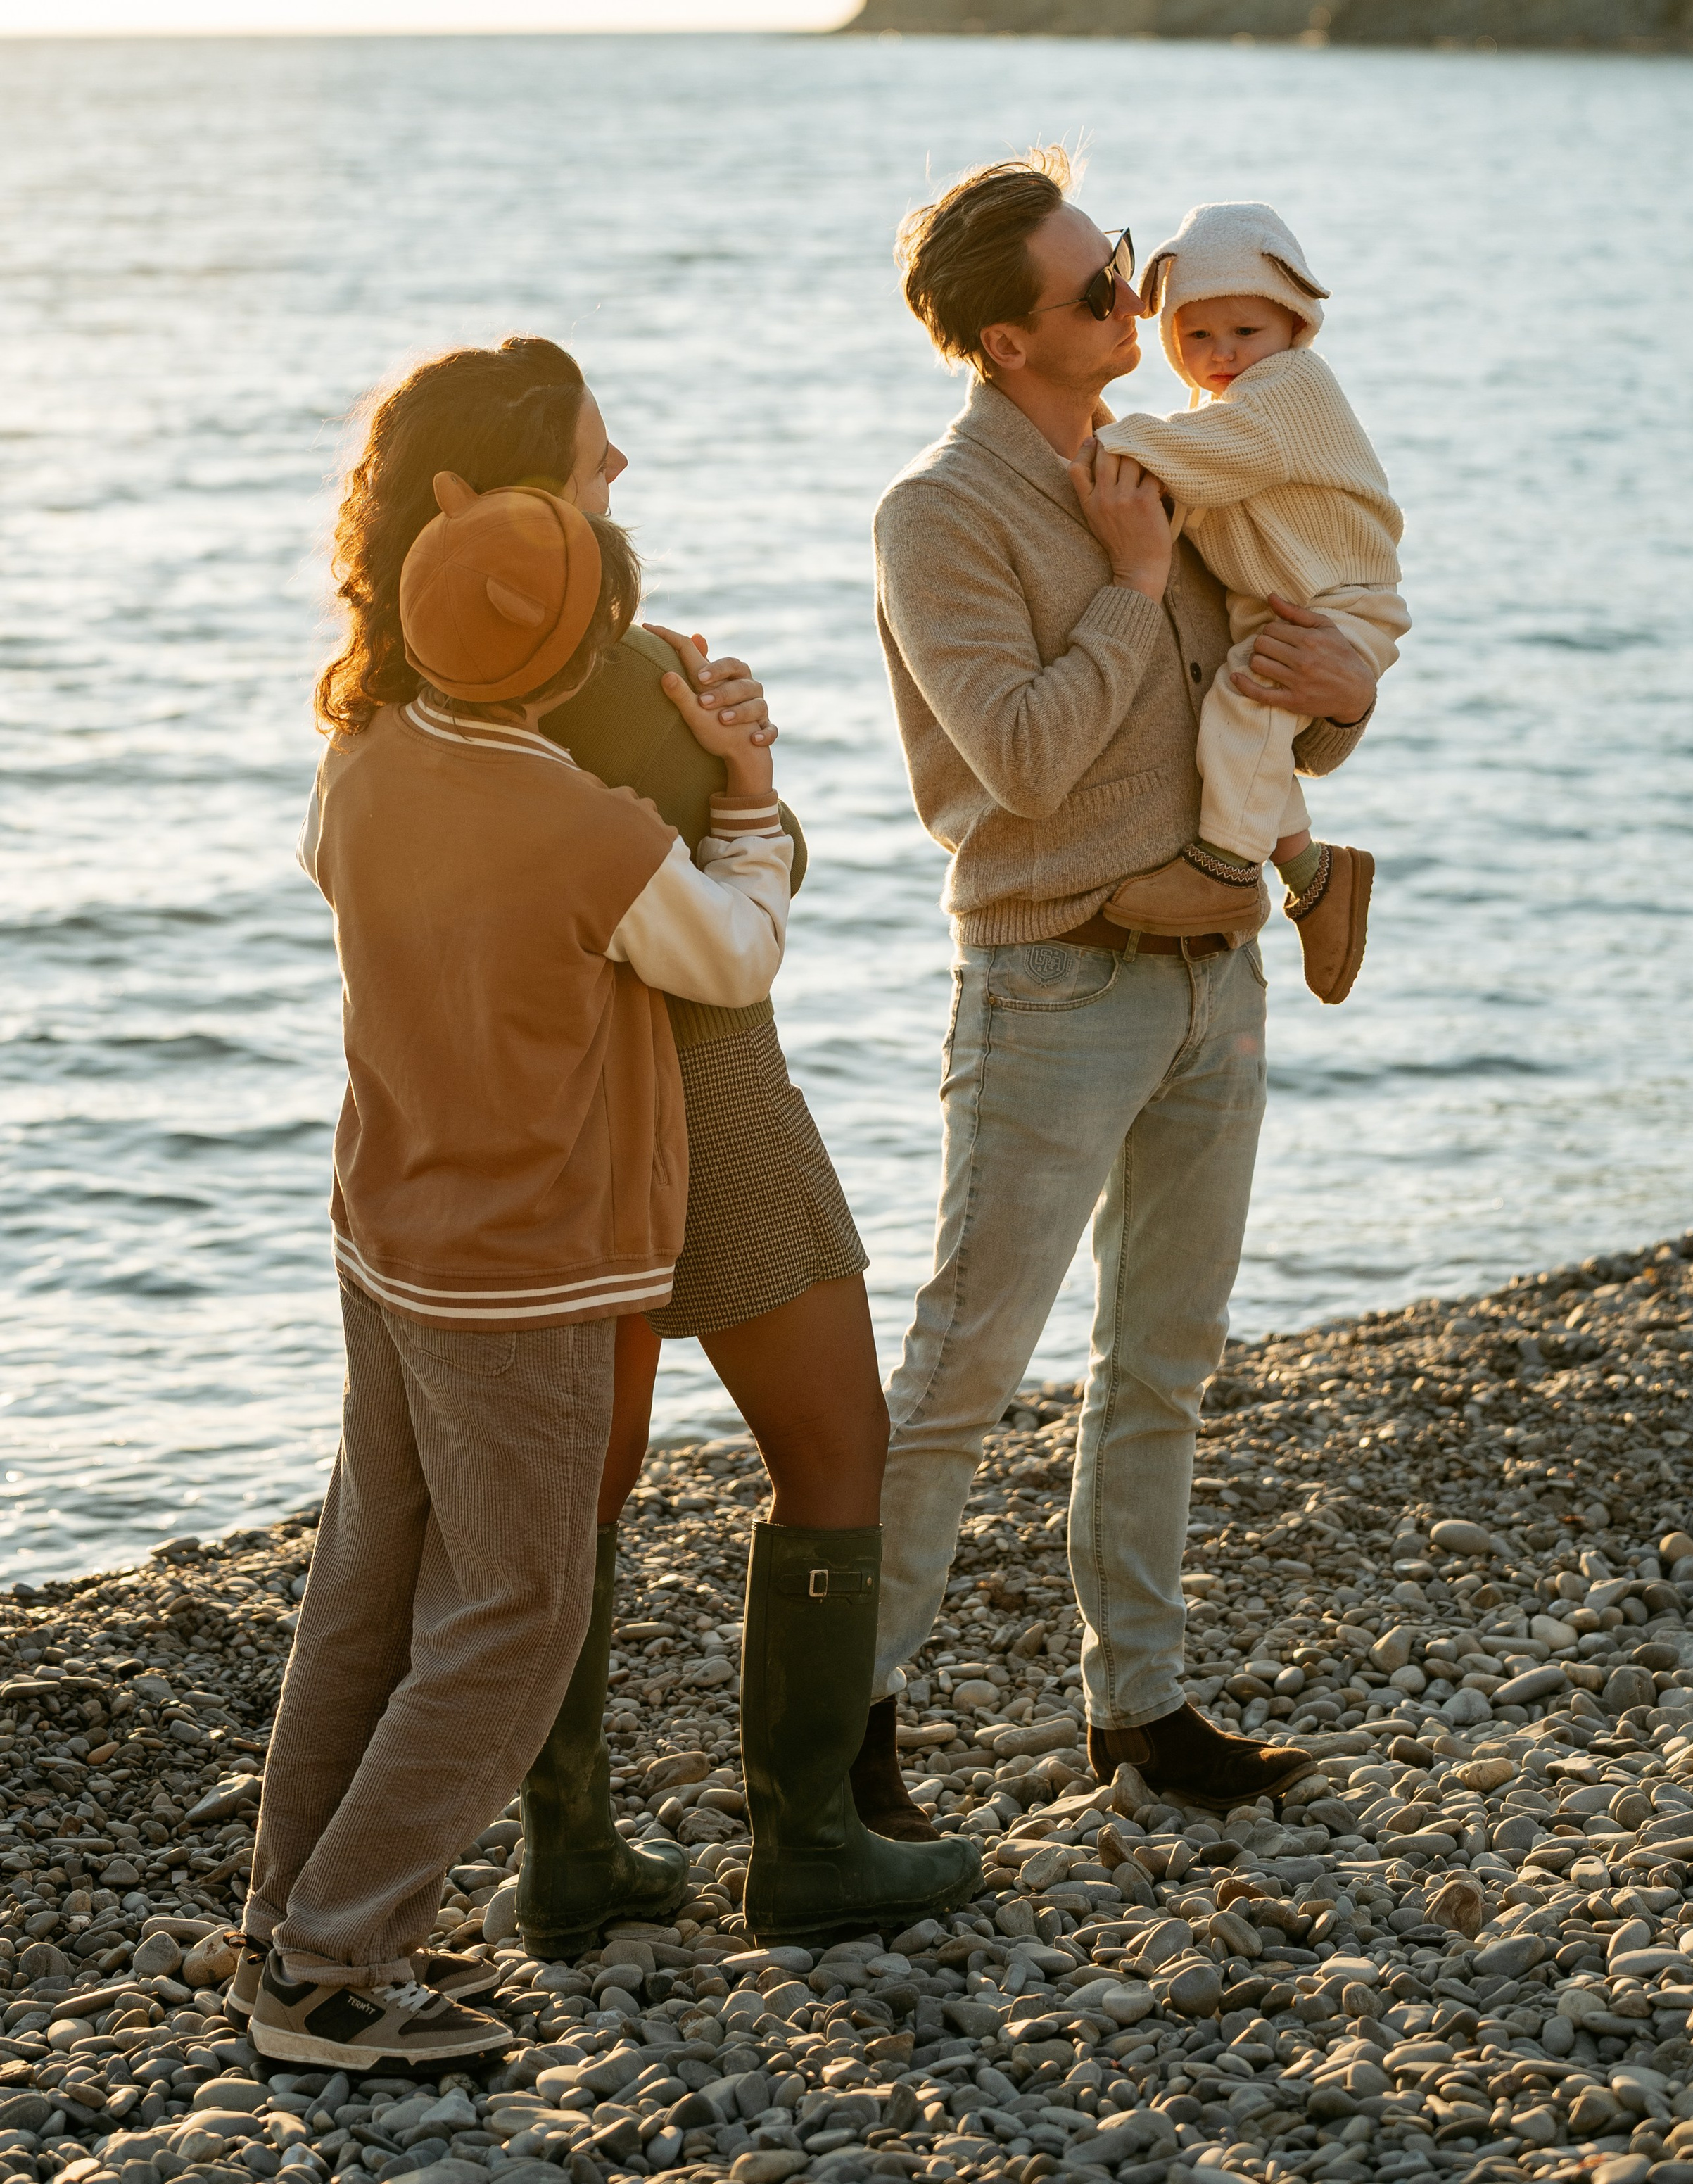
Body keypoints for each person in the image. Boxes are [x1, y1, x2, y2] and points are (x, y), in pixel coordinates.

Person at [293, 336, 975, 1958]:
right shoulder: (617, 671)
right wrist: (751, 770)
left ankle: (574, 1848)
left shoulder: (389, 703)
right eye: (594, 462)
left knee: (564, 1509)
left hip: (512, 1152)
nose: (619, 481)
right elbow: (751, 877)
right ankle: (805, 1840)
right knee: (829, 1449)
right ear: (476, 493)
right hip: (701, 1103)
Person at [857, 150, 1382, 1830]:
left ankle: (1137, 1709)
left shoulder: (1170, 465)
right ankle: (841, 1739)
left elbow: (1275, 693)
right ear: (1012, 342)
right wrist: (1134, 588)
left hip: (1210, 980)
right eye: (1102, 289)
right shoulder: (936, 512)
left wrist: (1347, 683)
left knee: (1160, 1361)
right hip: (1051, 986)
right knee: (959, 1373)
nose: (1138, 305)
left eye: (1128, 268)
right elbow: (1010, 761)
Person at [246, 471, 794, 2067]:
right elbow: (736, 954)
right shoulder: (588, 823)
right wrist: (746, 797)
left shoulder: (358, 761)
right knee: (515, 1606)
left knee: (367, 1578)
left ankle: (289, 1921)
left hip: (385, 1230)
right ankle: (332, 1969)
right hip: (526, 1274)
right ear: (572, 660)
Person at [1094, 199, 1409, 1005]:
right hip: (1288, 599)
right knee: (1245, 730)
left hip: (1339, 601)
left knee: (1246, 700)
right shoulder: (1226, 407)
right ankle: (1313, 874)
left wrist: (1097, 444)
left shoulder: (1287, 389)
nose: (1223, 353)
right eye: (1198, 337)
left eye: (1245, 332)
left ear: (1293, 324)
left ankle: (1224, 871)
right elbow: (1195, 456)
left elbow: (1203, 457)